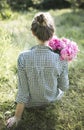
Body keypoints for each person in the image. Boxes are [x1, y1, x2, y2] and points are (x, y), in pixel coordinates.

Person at [7, 12, 69, 128]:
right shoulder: (61, 58)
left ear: (33, 32)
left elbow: (23, 91)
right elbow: (64, 87)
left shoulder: (23, 57)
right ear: (52, 34)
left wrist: (17, 117)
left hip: (30, 104)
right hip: (51, 100)